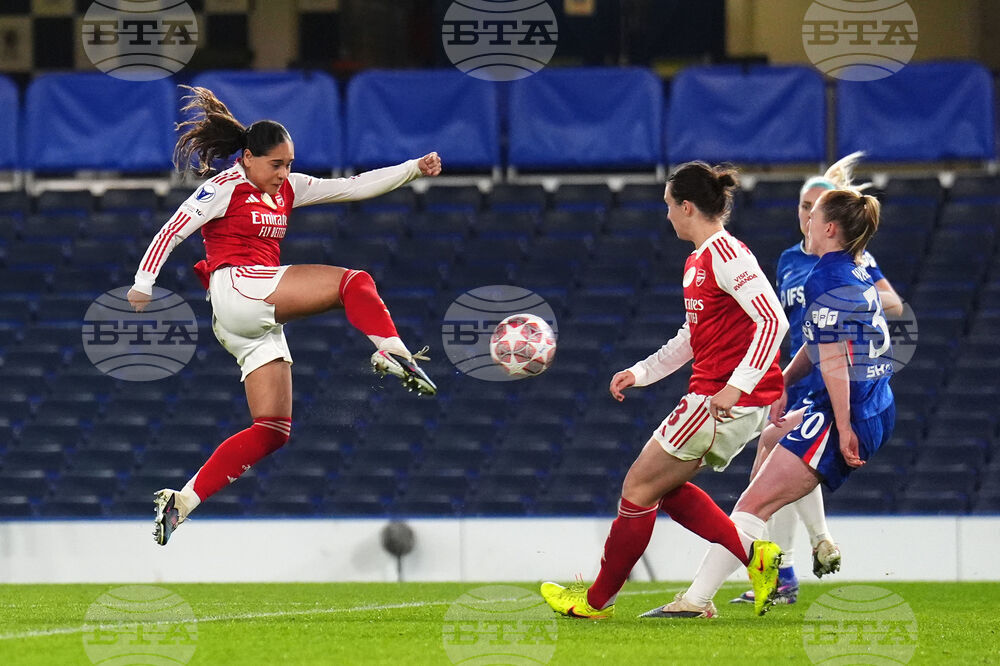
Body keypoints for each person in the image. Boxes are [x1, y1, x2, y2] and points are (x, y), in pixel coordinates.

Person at [127, 87, 442, 546]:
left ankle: (183, 502)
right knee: (354, 283)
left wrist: (412, 168)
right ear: (248, 158)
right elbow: (174, 228)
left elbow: (352, 187)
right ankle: (391, 352)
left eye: (289, 164)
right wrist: (143, 282)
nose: (284, 173)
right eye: (276, 164)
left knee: (272, 430)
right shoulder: (224, 187)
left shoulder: (287, 187)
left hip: (249, 320)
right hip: (238, 286)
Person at [540, 162, 790, 620]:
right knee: (665, 489)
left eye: (669, 206)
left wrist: (737, 387)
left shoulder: (727, 256)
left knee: (637, 487)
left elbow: (774, 320)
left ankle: (595, 602)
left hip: (719, 401)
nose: (668, 215)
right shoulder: (699, 260)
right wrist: (641, 372)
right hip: (720, 398)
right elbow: (693, 336)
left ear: (688, 207)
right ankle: (755, 557)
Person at [642, 187, 896, 619]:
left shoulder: (823, 276)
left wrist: (846, 426)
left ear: (829, 228)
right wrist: (778, 378)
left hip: (848, 409)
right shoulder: (856, 270)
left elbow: (833, 358)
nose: (807, 223)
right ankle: (814, 543)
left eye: (813, 216)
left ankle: (696, 601)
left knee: (751, 505)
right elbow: (818, 346)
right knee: (771, 438)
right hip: (872, 400)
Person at [729, 153, 903, 606]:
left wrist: (852, 317)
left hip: (833, 376)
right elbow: (786, 322)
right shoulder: (788, 260)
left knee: (779, 460)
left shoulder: (852, 260)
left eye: (816, 205)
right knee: (780, 459)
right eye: (804, 205)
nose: (808, 212)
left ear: (828, 219)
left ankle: (791, 562)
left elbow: (894, 305)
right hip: (802, 369)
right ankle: (801, 556)